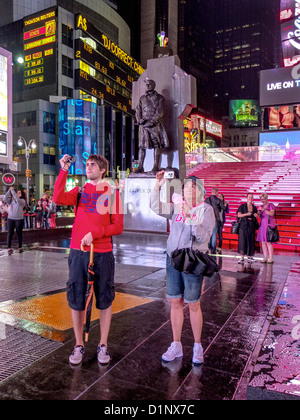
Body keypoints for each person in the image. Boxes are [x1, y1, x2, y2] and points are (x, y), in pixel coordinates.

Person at [53, 154, 123, 365]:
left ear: (103, 170)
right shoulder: (80, 191)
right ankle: (78, 345)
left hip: (102, 253)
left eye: (93, 164)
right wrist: (63, 169)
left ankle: (103, 344)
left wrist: (96, 233)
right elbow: (57, 197)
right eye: (87, 164)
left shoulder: (112, 193)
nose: (88, 167)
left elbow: (117, 226)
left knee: (104, 298)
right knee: (76, 298)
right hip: (77, 252)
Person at [150, 172, 215, 365]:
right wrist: (157, 185)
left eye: (193, 186)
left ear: (200, 191)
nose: (189, 189)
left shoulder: (206, 210)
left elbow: (204, 237)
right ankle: (176, 344)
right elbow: (155, 207)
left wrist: (190, 218)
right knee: (175, 301)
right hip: (173, 259)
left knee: (193, 304)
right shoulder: (176, 207)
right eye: (186, 186)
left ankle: (197, 346)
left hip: (193, 261)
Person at [135, 79, 169, 173]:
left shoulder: (159, 98)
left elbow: (160, 111)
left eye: (150, 85)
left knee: (156, 145)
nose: (148, 86)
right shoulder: (142, 98)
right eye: (147, 85)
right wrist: (140, 120)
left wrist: (153, 121)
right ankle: (140, 166)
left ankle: (155, 166)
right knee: (141, 146)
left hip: (154, 125)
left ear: (154, 86)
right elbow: (138, 111)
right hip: (144, 125)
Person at [237, 193, 259, 264]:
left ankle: (249, 256)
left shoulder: (254, 207)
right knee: (242, 240)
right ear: (247, 198)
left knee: (251, 240)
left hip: (251, 225)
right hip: (243, 226)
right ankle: (242, 257)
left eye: (251, 197)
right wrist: (246, 214)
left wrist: (256, 216)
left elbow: (255, 217)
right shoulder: (242, 206)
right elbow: (239, 215)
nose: (250, 198)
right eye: (249, 197)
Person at [4, 188, 26, 255]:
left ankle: (20, 247)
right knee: (10, 233)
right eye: (17, 192)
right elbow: (5, 199)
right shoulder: (11, 201)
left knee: (19, 233)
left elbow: (17, 199)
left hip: (19, 219)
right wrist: (9, 191)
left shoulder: (22, 201)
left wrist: (12, 191)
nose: (17, 194)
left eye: (19, 193)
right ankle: (9, 248)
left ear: (22, 195)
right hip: (10, 218)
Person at [205, 188, 226, 254]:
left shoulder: (207, 199)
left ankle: (208, 247)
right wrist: (225, 205)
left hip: (208, 219)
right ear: (216, 193)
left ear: (211, 192)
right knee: (214, 234)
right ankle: (213, 249)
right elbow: (224, 208)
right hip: (216, 218)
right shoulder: (218, 200)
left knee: (209, 234)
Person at [256, 193, 276, 264]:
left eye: (263, 199)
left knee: (268, 242)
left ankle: (271, 258)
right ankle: (265, 257)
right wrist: (258, 214)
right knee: (263, 242)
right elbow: (261, 217)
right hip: (262, 225)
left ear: (266, 198)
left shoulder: (271, 205)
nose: (262, 201)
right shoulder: (261, 206)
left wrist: (263, 210)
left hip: (269, 225)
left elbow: (271, 214)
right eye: (261, 199)